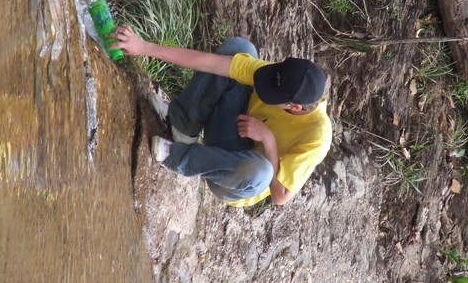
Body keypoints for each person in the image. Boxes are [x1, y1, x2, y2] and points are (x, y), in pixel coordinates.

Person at [109, 26, 332, 207]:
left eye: (273, 95)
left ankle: (176, 156)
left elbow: (280, 196)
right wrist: (144, 47)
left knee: (262, 173)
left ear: (295, 107)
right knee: (240, 48)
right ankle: (181, 128)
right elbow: (209, 63)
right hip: (231, 125)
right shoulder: (275, 76)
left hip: (235, 173)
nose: (266, 89)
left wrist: (268, 139)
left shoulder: (317, 135)